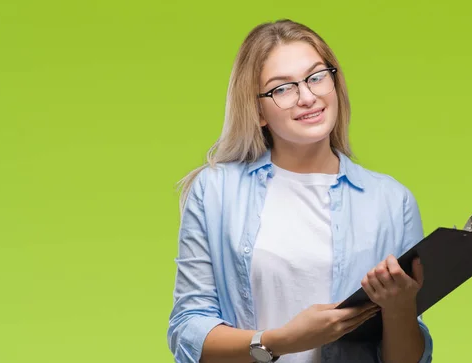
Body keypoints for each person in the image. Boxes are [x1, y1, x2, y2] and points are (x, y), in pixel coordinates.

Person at [167, 19, 433, 363]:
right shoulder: (215, 190)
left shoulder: (392, 202)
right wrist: (281, 340)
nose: (307, 97)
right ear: (258, 110)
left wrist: (400, 310)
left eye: (316, 76)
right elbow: (187, 330)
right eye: (282, 88)